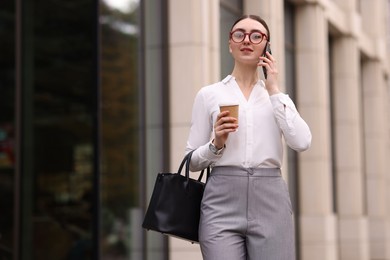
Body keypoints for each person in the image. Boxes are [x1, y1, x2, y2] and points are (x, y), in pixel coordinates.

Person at [185, 14, 312, 260]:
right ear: (230, 44)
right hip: (221, 200)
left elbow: (302, 142)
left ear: (267, 46)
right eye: (239, 34)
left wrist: (274, 89)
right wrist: (215, 144)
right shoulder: (209, 94)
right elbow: (190, 161)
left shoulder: (278, 98)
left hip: (270, 199)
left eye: (256, 35)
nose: (247, 40)